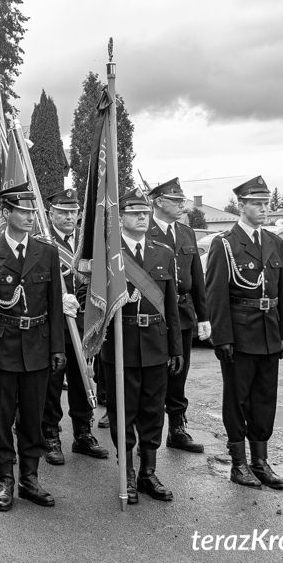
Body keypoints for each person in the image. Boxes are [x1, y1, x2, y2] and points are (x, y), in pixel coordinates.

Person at [0, 182, 66, 512]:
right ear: (7, 213)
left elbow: (55, 306)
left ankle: (29, 477)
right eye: (24, 211)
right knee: (0, 417)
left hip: (37, 346)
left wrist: (57, 348)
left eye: (32, 212)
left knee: (33, 417)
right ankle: (5, 479)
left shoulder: (47, 252)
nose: (30, 217)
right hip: (1, 349)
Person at [206, 176, 283, 490]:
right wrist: (222, 337)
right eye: (256, 203)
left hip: (268, 333)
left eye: (266, 203)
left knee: (265, 399)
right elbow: (216, 295)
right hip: (240, 335)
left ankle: (260, 461)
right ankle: (238, 464)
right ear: (240, 206)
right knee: (237, 399)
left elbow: (279, 291)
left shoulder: (274, 242)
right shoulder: (224, 244)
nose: (263, 208)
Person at [101, 188, 183, 504]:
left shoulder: (163, 253)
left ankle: (149, 472)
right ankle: (129, 472)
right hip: (121, 345)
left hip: (155, 344)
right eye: (135, 213)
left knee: (152, 411)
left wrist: (175, 347)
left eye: (145, 213)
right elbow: (93, 300)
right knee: (124, 411)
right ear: (120, 217)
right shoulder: (109, 252)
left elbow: (172, 306)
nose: (142, 217)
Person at [41, 188, 108, 465]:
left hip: (83, 325)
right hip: (54, 327)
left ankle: (82, 434)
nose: (70, 217)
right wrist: (57, 301)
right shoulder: (42, 243)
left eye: (73, 212)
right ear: (50, 214)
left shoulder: (86, 243)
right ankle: (50, 435)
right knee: (53, 383)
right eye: (63, 212)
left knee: (82, 381)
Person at [146, 178, 210, 453]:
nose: (181, 205)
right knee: (154, 374)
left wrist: (203, 316)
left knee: (179, 373)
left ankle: (177, 427)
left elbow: (197, 276)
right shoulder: (143, 230)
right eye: (175, 200)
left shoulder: (186, 232)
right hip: (155, 312)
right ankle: (147, 433)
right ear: (159, 202)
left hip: (183, 313)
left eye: (182, 200)